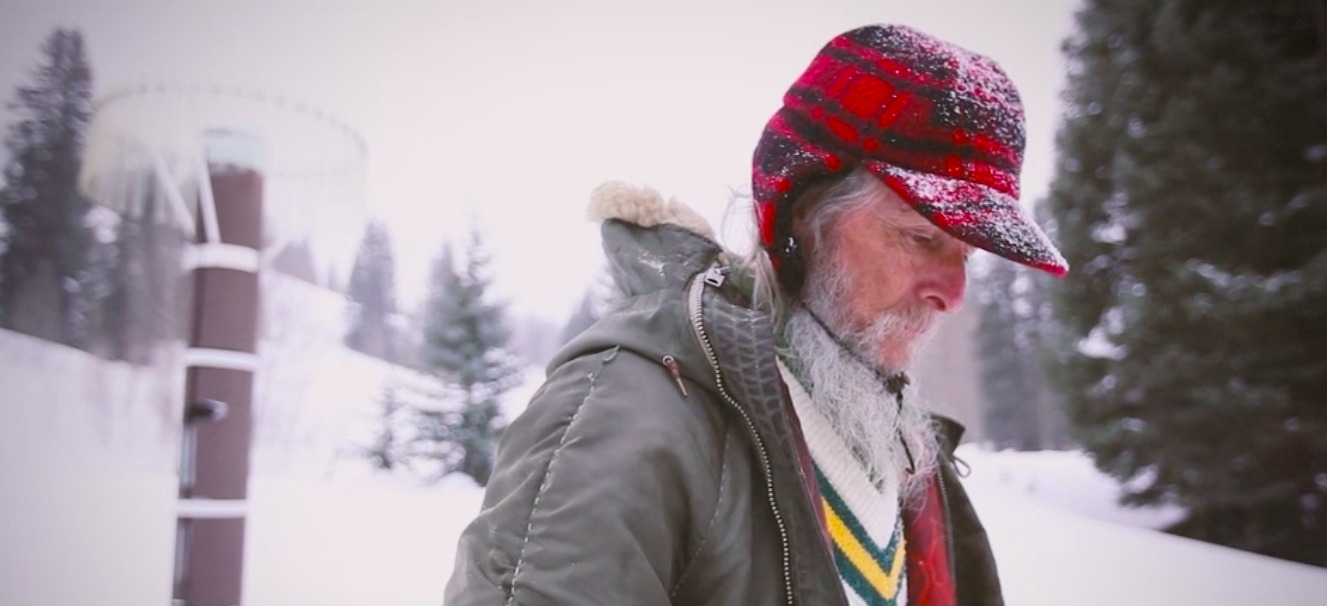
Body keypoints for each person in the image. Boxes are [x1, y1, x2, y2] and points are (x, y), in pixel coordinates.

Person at [443, 23, 1068, 606]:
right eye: (919, 238)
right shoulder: (627, 413)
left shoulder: (901, 446)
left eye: (967, 255)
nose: (952, 293)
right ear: (806, 214)